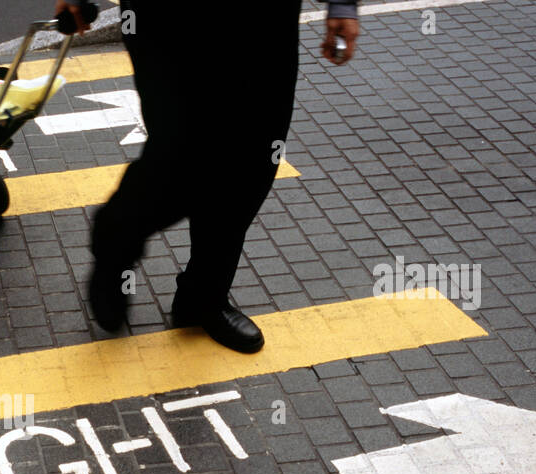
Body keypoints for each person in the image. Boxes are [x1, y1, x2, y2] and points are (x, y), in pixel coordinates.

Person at [56, 1, 361, 352]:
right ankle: (116, 242)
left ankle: (204, 296)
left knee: (253, 160)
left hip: (265, 22)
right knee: (180, 157)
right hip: (169, 20)